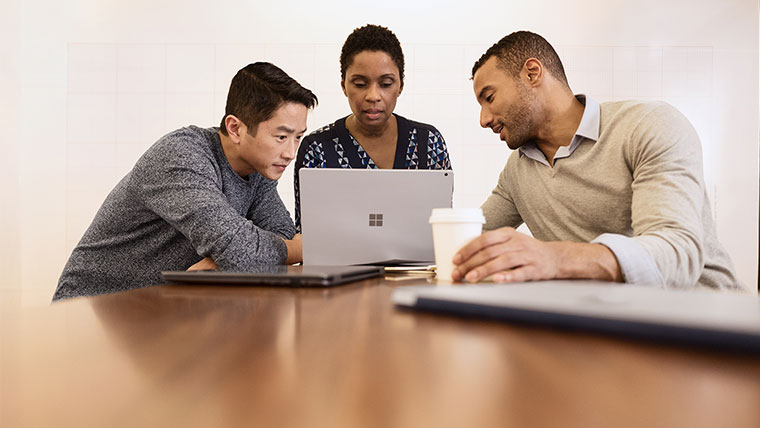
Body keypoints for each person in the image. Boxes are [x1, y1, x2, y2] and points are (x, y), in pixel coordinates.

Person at [452, 31, 745, 291]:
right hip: (613, 326)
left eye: (488, 97)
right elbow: (465, 242)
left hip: (709, 327)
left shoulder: (648, 126)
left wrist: (556, 259)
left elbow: (676, 254)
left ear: (532, 73)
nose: (484, 119)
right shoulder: (518, 170)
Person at [53, 62, 317, 301]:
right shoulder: (181, 155)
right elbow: (251, 250)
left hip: (161, 312)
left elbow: (277, 234)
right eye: (281, 137)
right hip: (95, 309)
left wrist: (223, 259)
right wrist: (296, 247)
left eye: (298, 137)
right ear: (236, 128)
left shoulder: (259, 168)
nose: (291, 153)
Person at [293, 24, 452, 231]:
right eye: (360, 84)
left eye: (385, 84)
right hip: (337, 264)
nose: (373, 96)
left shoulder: (428, 142)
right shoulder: (318, 148)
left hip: (419, 265)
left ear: (400, 86)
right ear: (344, 86)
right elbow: (308, 236)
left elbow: (445, 227)